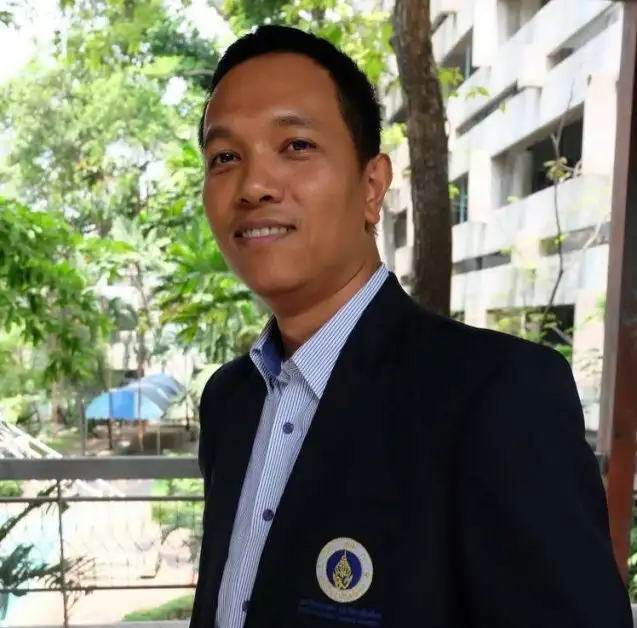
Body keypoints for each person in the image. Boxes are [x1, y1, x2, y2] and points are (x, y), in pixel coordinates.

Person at [190, 24, 632, 628]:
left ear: (372, 186)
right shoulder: (229, 401)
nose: (254, 186)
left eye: (295, 144)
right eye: (225, 157)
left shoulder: (499, 394)